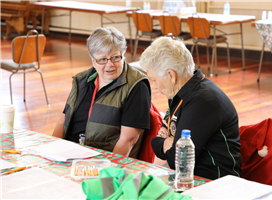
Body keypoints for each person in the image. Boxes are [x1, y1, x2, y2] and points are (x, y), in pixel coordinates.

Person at [139, 37, 241, 180]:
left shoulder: (201, 101)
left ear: (171, 75)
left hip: (214, 183)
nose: (154, 86)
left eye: (154, 80)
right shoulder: (182, 93)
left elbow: (177, 159)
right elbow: (162, 136)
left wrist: (166, 143)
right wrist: (165, 143)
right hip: (189, 177)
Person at [52, 26, 151, 158]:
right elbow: (63, 120)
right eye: (102, 59)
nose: (110, 64)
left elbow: (129, 140)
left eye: (115, 57)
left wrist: (108, 171)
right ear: (93, 60)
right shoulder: (81, 79)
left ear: (123, 54)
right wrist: (50, 152)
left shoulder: (136, 86)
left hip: (103, 160)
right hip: (71, 154)